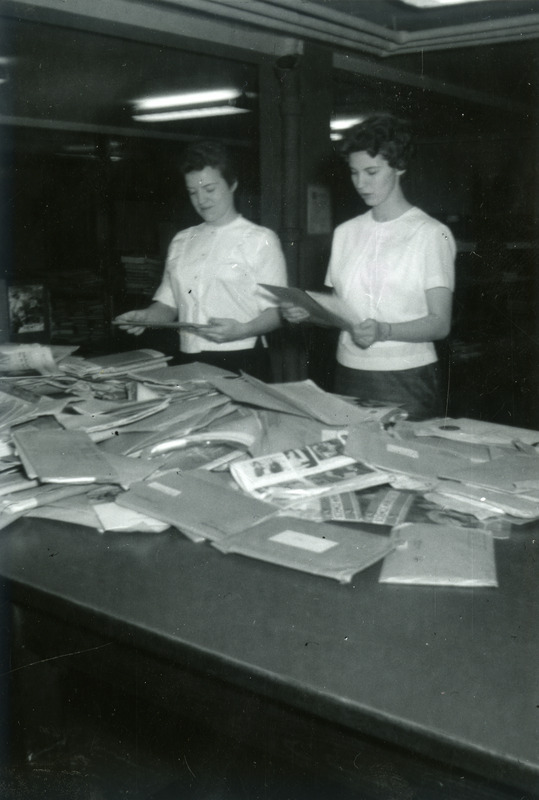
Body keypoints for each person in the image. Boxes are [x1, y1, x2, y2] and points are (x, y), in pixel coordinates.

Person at [282, 113, 455, 420]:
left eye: (372, 172)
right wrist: (309, 313)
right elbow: (342, 312)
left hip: (407, 377)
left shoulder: (431, 233)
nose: (360, 183)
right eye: (354, 173)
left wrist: (383, 330)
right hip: (348, 371)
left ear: (399, 166)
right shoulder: (345, 233)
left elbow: (440, 323)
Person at [115, 140, 287, 380]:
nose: (201, 200)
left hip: (242, 358)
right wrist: (146, 317)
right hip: (188, 358)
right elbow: (169, 305)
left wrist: (243, 330)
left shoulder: (261, 239)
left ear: (232, 184)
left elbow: (278, 312)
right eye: (193, 192)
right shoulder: (181, 240)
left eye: (210, 189)